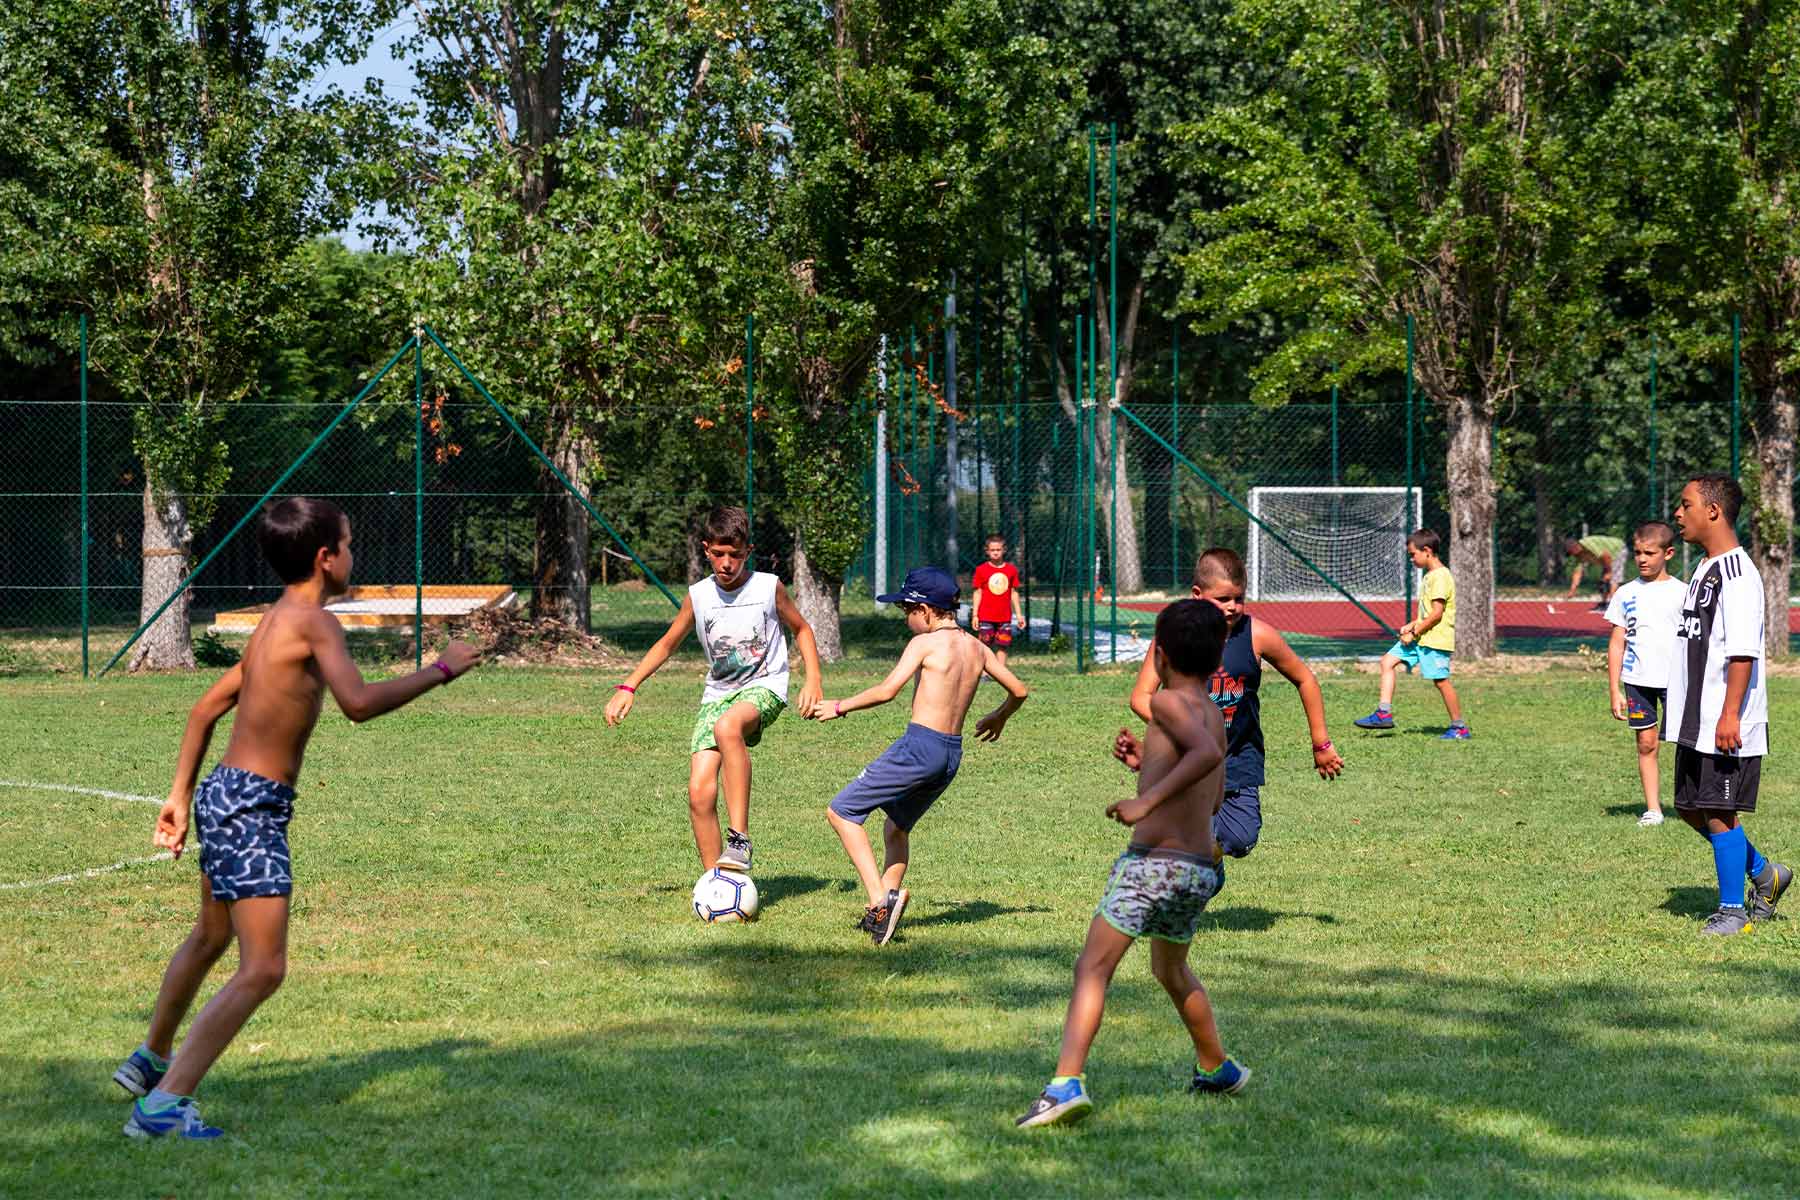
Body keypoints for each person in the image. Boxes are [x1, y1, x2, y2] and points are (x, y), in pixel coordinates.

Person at [114, 498, 482, 1139]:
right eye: (348, 543)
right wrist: (441, 669)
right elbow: (359, 703)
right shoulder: (314, 624)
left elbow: (204, 711)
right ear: (325, 557)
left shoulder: (272, 622)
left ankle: (151, 1059)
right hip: (250, 808)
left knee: (209, 939)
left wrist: (179, 797)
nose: (352, 553)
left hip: (226, 795)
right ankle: (163, 1107)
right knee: (263, 968)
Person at [1017, 600, 1247, 1129]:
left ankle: (1065, 1084)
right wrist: (1148, 764)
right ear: (1216, 662)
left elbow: (1204, 761)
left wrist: (1143, 802)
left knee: (1092, 967)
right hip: (1195, 869)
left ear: (1160, 656)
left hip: (1153, 866)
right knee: (1170, 968)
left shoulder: (1167, 703)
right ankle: (1215, 1066)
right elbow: (1208, 795)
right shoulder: (1211, 712)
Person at [811, 566, 1027, 945]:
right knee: (896, 826)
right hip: (949, 755)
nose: (905, 619)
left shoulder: (924, 644)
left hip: (919, 746)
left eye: (906, 611)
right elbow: (1020, 691)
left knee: (841, 812)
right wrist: (1001, 716)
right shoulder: (977, 647)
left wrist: (840, 706)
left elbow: (887, 690)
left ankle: (879, 900)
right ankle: (883, 916)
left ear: (925, 610)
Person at [605, 506, 821, 872]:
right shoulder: (699, 596)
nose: (726, 563)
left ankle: (740, 839)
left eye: (735, 555)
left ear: (747, 552)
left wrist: (813, 679)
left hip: (764, 686)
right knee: (699, 792)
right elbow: (668, 643)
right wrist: (629, 685)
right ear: (706, 550)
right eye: (718, 554)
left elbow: (801, 629)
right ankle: (716, 882)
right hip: (718, 693)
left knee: (727, 727)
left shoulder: (768, 587)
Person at [1124, 547, 1343, 861]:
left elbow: (1305, 679)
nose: (1232, 607)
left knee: (1240, 838)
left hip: (1239, 757)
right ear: (1198, 595)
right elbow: (1141, 697)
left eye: (1239, 598)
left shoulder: (1257, 635)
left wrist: (1321, 743)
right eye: (1223, 599)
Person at [1663, 474, 1790, 935]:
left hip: (1724, 717)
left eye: (1686, 504)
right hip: (1696, 718)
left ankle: (1734, 910)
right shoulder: (1704, 566)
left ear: (1713, 511)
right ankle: (1765, 874)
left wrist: (1730, 713)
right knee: (1689, 806)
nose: (1679, 513)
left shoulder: (1739, 575)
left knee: (1719, 811)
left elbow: (1742, 652)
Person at [1603, 521, 1686, 828]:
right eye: (1638, 552)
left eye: (1650, 552)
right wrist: (1615, 689)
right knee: (1646, 744)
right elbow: (1617, 642)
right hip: (1638, 683)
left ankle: (1697, 803)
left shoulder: (1683, 593)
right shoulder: (1625, 593)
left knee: (1689, 745)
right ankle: (1654, 809)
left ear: (1669, 553)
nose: (1642, 559)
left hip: (1677, 682)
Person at [1353, 529, 1469, 739]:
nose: (1411, 559)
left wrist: (1414, 632)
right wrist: (1412, 625)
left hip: (1433, 640)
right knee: (1387, 661)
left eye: (1413, 554)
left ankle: (1459, 727)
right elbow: (1427, 613)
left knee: (1441, 681)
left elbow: (1436, 614)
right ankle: (1383, 713)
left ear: (1427, 551)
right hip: (1421, 635)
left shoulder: (1441, 577)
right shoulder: (1430, 576)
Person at [971, 533, 1026, 667]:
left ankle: (1001, 672)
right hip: (985, 616)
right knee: (985, 645)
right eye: (992, 550)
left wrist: (1019, 615)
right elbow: (977, 592)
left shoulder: (1011, 570)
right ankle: (984, 672)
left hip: (1004, 616)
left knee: (1003, 645)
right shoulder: (981, 570)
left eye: (998, 550)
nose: (995, 553)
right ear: (987, 551)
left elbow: (1014, 593)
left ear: (1004, 550)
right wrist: (975, 615)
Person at [1565, 532, 1627, 605]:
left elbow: (1606, 555)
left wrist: (1609, 572)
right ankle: (1604, 602)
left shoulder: (1588, 544)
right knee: (1603, 582)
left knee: (1614, 579)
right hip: (1606, 558)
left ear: (1575, 547)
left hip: (1617, 549)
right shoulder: (1579, 556)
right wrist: (1572, 590)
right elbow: (1577, 573)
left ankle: (1612, 604)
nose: (1572, 555)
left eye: (1571, 552)